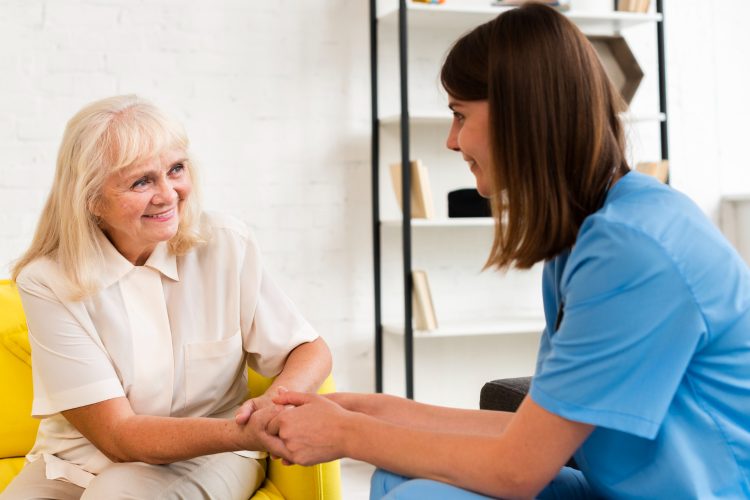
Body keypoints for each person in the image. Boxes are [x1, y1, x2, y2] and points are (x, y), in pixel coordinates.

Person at [241, 4, 750, 498]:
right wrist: (358, 411)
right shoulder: (585, 237)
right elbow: (528, 432)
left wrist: (346, 435)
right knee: (398, 477)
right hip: (609, 487)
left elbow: (517, 470)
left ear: (520, 116)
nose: (452, 141)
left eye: (461, 115)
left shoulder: (634, 251)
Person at [2, 95, 332, 500]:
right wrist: (250, 428)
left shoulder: (226, 244)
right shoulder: (49, 281)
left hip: (214, 451)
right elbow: (119, 436)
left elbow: (309, 349)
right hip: (79, 458)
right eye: (141, 181)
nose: (168, 194)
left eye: (176, 169)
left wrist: (269, 411)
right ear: (91, 200)